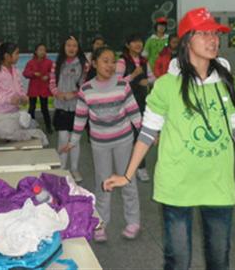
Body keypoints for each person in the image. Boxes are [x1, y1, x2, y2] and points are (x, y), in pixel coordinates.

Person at [104, 7, 235, 270]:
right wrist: (127, 175)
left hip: (218, 182)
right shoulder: (167, 85)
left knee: (219, 260)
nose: (213, 40)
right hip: (176, 182)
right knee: (178, 261)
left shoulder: (229, 82)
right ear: (187, 40)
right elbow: (148, 132)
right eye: (204, 34)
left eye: (215, 34)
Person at [60, 46, 142, 242]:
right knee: (103, 183)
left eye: (113, 61)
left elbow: (133, 111)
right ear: (94, 64)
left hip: (123, 139)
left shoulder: (122, 85)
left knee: (128, 179)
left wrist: (146, 134)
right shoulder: (86, 89)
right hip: (100, 143)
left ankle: (133, 221)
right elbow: (80, 118)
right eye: (105, 61)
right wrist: (73, 141)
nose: (110, 65)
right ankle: (101, 223)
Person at [116, 33, 156, 182]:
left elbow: (152, 77)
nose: (138, 45)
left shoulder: (144, 61)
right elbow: (116, 83)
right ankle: (131, 166)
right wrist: (132, 76)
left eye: (140, 42)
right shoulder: (122, 61)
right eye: (134, 42)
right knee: (128, 136)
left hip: (141, 101)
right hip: (126, 102)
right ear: (128, 45)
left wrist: (148, 81)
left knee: (142, 134)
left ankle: (140, 166)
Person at [49, 35, 89, 183]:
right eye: (68, 45)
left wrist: (73, 94)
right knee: (62, 138)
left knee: (75, 140)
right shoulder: (57, 64)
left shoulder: (84, 64)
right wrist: (57, 93)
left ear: (78, 48)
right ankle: (62, 168)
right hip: (61, 106)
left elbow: (85, 85)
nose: (71, 48)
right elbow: (52, 83)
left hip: (77, 107)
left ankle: (74, 168)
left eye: (74, 46)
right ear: (64, 47)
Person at [0, 42, 28, 115]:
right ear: (7, 56)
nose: (18, 56)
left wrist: (23, 97)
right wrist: (8, 99)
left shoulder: (16, 71)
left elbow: (19, 88)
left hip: (15, 112)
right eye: (16, 53)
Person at [23, 43, 53, 133]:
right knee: (31, 108)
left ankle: (48, 127)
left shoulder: (49, 62)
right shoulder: (30, 62)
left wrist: (48, 76)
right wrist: (33, 73)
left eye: (44, 50)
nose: (42, 52)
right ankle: (30, 126)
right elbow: (25, 73)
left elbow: (53, 72)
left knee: (44, 108)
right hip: (33, 89)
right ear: (36, 51)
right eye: (40, 50)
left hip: (44, 89)